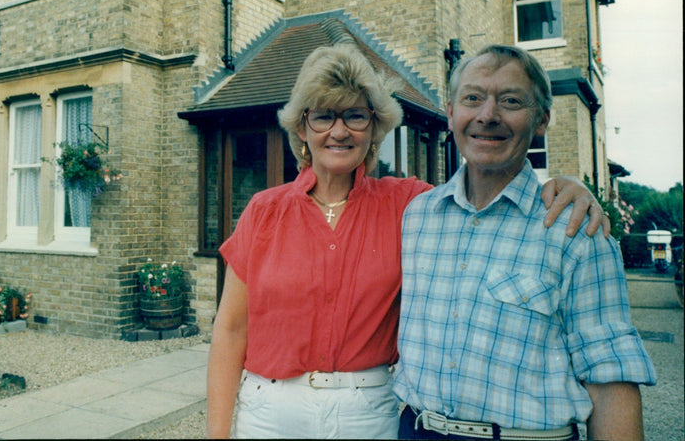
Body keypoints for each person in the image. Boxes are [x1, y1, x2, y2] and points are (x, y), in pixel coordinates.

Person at [207, 42, 609, 439]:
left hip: (367, 414)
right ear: (302, 127)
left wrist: (567, 185)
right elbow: (230, 330)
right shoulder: (264, 211)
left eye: (355, 116)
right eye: (324, 116)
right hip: (268, 412)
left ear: (375, 127)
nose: (340, 131)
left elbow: (480, 197)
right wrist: (216, 433)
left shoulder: (411, 204)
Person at [395, 44, 657, 441]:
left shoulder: (575, 231)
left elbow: (610, 378)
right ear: (450, 113)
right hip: (416, 430)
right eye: (472, 98)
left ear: (542, 120)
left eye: (511, 101)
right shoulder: (416, 218)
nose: (487, 115)